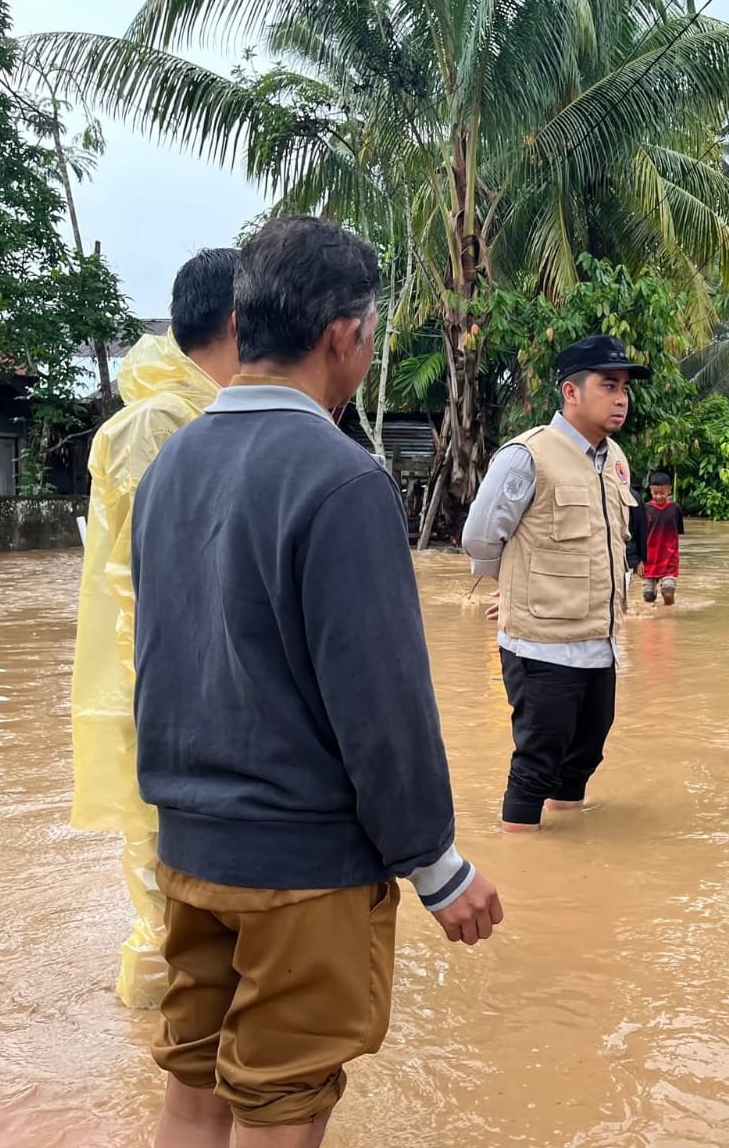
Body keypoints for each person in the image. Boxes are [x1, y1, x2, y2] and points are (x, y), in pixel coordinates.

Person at [130, 216, 501, 1148]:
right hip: (301, 867)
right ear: (344, 335)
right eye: (372, 335)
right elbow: (381, 708)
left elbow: (162, 656)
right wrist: (437, 865)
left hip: (187, 846)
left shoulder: (170, 465)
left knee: (195, 1082)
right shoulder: (341, 480)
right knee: (284, 1102)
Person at [68, 248, 240, 1010]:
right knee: (168, 893)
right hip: (165, 698)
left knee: (187, 892)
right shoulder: (157, 425)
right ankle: (157, 1057)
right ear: (241, 321)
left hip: (182, 695)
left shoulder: (191, 412)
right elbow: (143, 588)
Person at [462, 334, 646, 832]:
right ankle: (522, 866)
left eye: (625, 387)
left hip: (599, 644)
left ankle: (566, 864)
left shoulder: (616, 462)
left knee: (583, 760)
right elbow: (480, 538)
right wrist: (515, 587)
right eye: (609, 385)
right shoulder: (527, 456)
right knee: (535, 766)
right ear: (570, 392)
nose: (621, 398)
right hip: (541, 647)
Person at [639, 471, 685, 605]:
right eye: (655, 493)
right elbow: (638, 534)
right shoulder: (645, 509)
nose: (659, 496)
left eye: (662, 493)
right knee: (648, 596)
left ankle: (669, 616)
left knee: (668, 593)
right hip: (649, 560)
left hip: (669, 559)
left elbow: (678, 532)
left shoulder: (675, 509)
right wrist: (638, 560)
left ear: (669, 490)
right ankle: (652, 622)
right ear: (650, 490)